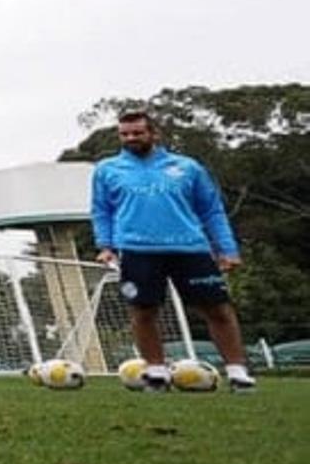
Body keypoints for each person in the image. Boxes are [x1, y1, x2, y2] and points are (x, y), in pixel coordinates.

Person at [92, 110, 256, 393]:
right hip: (136, 249)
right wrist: (105, 246)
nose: (131, 138)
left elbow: (211, 210)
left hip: (190, 248)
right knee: (143, 311)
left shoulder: (188, 167)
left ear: (153, 134)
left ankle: (237, 371)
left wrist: (226, 249)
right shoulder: (107, 170)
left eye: (137, 133)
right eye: (125, 134)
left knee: (217, 308)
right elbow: (101, 211)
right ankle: (156, 371)